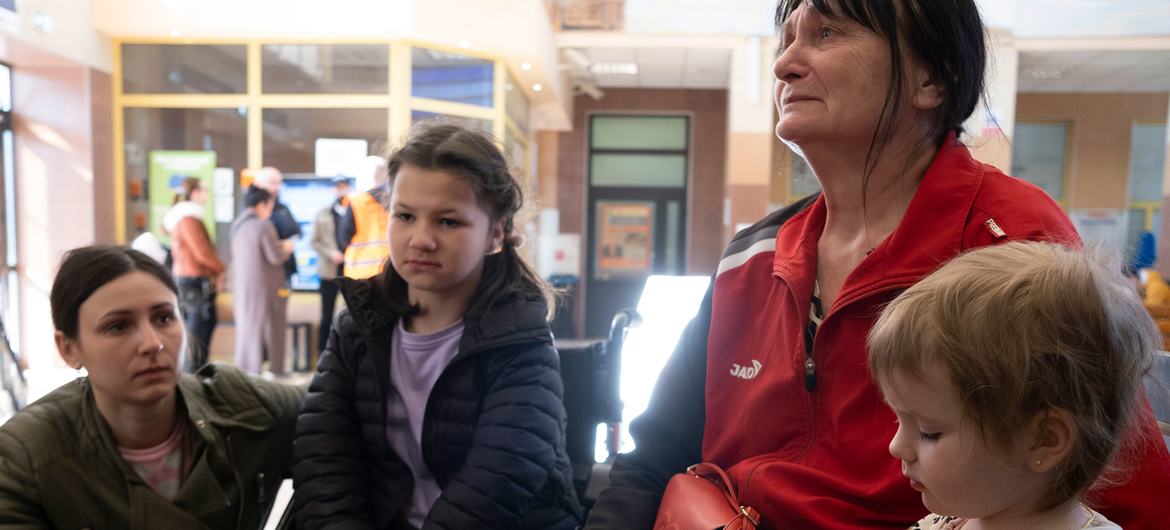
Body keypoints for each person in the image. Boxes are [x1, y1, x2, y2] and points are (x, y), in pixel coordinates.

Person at [583, 0, 1170, 528]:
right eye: (786, 39)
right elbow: (653, 457)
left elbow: (1116, 490)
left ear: (931, 78)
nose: (785, 63)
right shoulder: (752, 255)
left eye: (827, 32)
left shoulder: (1013, 246)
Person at [292, 122, 583, 529]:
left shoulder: (521, 340)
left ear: (495, 233)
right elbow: (325, 461)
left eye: (448, 222)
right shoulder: (358, 327)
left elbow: (498, 485)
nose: (421, 239)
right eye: (405, 216)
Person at [0, 245, 304, 528]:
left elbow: (334, 407)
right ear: (68, 348)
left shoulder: (245, 406)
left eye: (164, 318)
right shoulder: (27, 455)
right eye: (118, 326)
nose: (153, 344)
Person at [868, 241, 1156, 530]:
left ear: (1043, 440)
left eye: (929, 432)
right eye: (900, 419)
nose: (896, 447)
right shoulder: (944, 523)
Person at [231, 185, 294, 376]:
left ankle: (248, 368)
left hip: (244, 289)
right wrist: (286, 248)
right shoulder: (263, 225)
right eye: (270, 206)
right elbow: (274, 256)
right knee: (273, 328)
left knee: (248, 329)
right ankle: (275, 369)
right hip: (268, 289)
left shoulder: (237, 225)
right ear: (262, 204)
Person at [164, 176, 225, 370]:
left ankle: (194, 378)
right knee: (197, 335)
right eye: (205, 190)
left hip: (191, 280)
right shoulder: (188, 218)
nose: (207, 195)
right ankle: (193, 382)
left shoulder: (186, 217)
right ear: (195, 193)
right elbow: (202, 252)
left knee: (199, 331)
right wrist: (221, 268)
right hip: (193, 282)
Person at [309, 176, 350, 354]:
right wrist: (330, 253)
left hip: (351, 272)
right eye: (337, 187)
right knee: (326, 316)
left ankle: (346, 355)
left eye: (344, 186)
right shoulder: (324, 213)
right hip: (328, 271)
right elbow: (314, 241)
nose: (340, 190)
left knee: (350, 315)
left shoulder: (354, 211)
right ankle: (322, 355)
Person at [339, 155, 391, 279]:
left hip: (359, 274)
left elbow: (343, 239)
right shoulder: (394, 201)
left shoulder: (357, 202)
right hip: (389, 272)